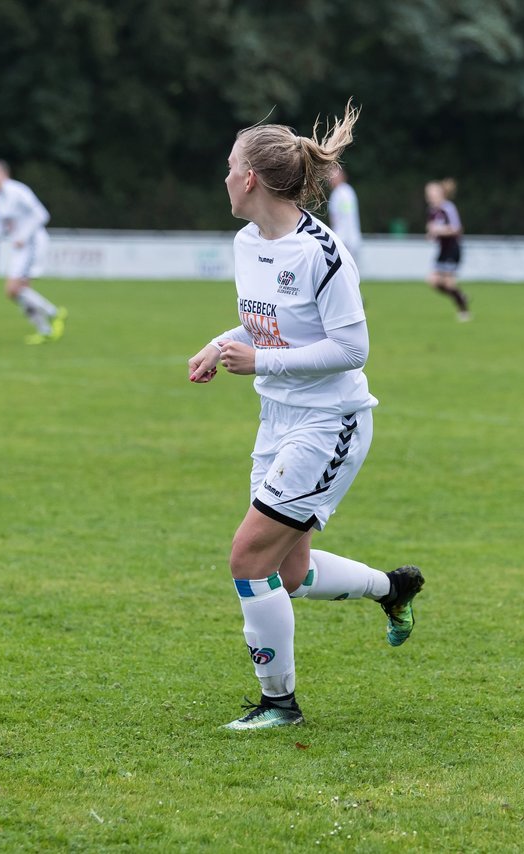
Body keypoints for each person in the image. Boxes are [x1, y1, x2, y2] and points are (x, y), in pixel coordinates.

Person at [187, 102, 425, 731]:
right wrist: (220, 344)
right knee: (289, 572)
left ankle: (278, 704)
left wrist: (259, 359)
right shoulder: (247, 242)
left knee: (248, 561)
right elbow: (267, 321)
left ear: (251, 180)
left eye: (229, 166)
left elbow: (352, 349)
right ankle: (392, 589)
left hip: (331, 423)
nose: (225, 176)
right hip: (278, 420)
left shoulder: (323, 254)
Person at [0, 160, 66, 345]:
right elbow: (0, 228)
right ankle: (46, 328)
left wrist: (24, 234)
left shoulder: (18, 191)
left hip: (34, 243)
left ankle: (54, 314)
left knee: (16, 289)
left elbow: (42, 214)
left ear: (3, 174)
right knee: (14, 292)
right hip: (20, 247)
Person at [425, 178, 470, 321]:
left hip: (452, 249)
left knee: (449, 283)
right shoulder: (432, 211)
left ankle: (463, 311)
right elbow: (432, 230)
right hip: (442, 250)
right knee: (433, 282)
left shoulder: (448, 208)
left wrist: (439, 230)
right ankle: (460, 296)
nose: (430, 196)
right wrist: (431, 234)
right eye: (428, 193)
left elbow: (457, 229)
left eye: (432, 192)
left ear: (440, 193)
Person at [327, 164, 363, 270]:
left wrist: (343, 238)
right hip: (348, 238)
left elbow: (344, 218)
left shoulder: (341, 193)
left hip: (345, 239)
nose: (331, 179)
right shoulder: (347, 191)